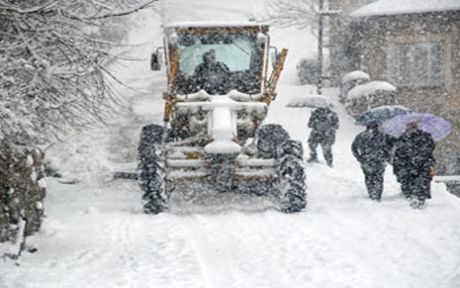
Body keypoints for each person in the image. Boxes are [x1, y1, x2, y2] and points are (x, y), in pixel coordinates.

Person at [393, 122, 435, 208]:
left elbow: (399, 153)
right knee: (421, 182)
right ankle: (419, 198)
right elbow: (430, 149)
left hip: (414, 165)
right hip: (420, 164)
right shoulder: (425, 137)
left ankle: (416, 198)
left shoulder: (404, 138)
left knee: (417, 181)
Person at [351, 122, 392, 201]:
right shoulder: (383, 136)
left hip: (366, 160)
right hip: (379, 161)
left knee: (369, 177)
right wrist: (387, 156)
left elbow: (354, 148)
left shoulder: (361, 136)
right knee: (379, 178)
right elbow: (389, 147)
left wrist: (359, 158)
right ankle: (377, 194)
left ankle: (372, 192)